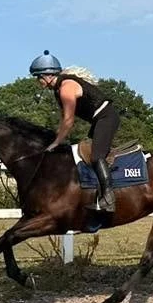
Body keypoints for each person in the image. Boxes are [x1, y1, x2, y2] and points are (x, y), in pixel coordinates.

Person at [30, 50, 120, 212]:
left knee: (96, 155)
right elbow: (63, 120)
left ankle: (109, 198)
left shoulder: (66, 88)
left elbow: (69, 121)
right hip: (100, 119)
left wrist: (57, 142)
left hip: (106, 118)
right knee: (85, 153)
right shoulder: (59, 89)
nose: (38, 82)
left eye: (39, 77)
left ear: (48, 76)